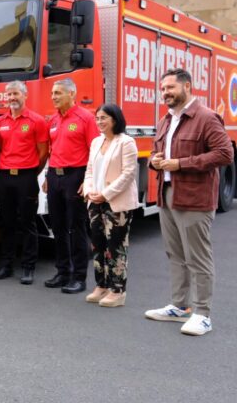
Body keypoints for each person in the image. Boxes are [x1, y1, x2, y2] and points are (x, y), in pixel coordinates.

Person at [145, 68, 233, 336]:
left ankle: (203, 314)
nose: (165, 93)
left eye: (170, 87)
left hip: (195, 197)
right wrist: (155, 161)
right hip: (168, 193)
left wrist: (180, 164)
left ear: (187, 87)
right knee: (175, 254)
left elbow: (224, 154)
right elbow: (155, 153)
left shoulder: (206, 117)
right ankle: (179, 306)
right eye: (162, 89)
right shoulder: (166, 120)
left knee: (198, 257)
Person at [44, 78, 100, 294]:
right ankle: (62, 272)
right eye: (52, 93)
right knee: (57, 227)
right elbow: (52, 149)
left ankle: (79, 277)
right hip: (55, 176)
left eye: (58, 93)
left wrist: (88, 180)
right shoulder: (54, 120)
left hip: (76, 176)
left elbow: (94, 152)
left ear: (71, 94)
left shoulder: (85, 118)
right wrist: (49, 176)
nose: (53, 97)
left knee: (76, 227)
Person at [82, 104, 138, 307]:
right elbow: (89, 170)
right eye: (97, 118)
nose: (99, 122)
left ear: (115, 119)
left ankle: (117, 290)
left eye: (103, 118)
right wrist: (89, 191)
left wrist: (105, 195)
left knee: (116, 246)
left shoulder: (127, 142)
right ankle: (101, 286)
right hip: (94, 202)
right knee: (97, 245)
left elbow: (128, 174)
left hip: (117, 204)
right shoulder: (96, 142)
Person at [0, 81, 49, 284]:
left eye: (15, 94)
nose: (11, 98)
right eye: (8, 95)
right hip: (5, 176)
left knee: (28, 223)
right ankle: (6, 265)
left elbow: (43, 152)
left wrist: (33, 171)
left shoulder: (36, 121)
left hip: (26, 177)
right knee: (6, 223)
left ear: (25, 95)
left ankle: (28, 267)